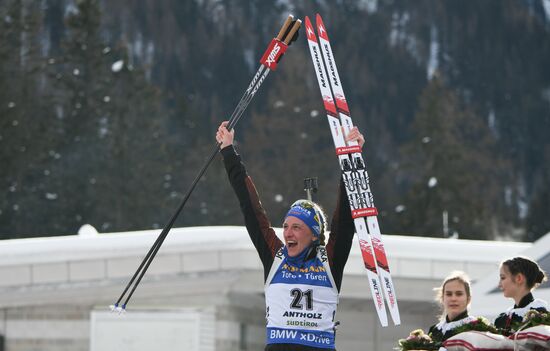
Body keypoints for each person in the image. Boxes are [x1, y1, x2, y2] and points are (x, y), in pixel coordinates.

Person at [216, 121, 364, 351]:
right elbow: (251, 208)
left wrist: (351, 159)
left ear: (315, 234)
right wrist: (228, 151)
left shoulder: (329, 260)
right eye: (285, 226)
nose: (287, 233)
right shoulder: (275, 255)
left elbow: (344, 220)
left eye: (297, 227)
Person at [494, 256, 548, 332]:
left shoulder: (540, 315)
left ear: (519, 278)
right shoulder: (503, 319)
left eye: (503, 278)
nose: (499, 284)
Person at [428, 271, 476, 343]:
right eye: (449, 294)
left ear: (468, 299)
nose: (453, 298)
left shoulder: (476, 327)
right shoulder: (435, 330)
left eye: (459, 294)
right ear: (442, 298)